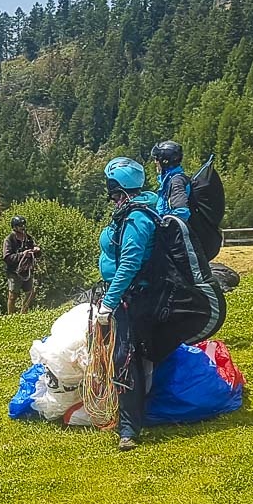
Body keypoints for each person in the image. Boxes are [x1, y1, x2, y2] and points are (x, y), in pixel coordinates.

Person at [96, 157, 161, 452]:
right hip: (125, 294)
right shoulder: (131, 211)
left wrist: (109, 303)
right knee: (124, 356)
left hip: (131, 299)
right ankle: (127, 418)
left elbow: (130, 264)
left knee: (124, 358)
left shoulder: (137, 219)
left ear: (117, 186)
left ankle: (128, 429)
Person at [3, 216, 40, 314]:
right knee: (12, 296)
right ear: (14, 227)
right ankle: (10, 316)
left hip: (27, 270)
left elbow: (35, 253)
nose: (23, 227)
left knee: (30, 292)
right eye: (20, 225)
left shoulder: (28, 238)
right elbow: (7, 257)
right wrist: (22, 255)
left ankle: (23, 313)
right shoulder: (9, 239)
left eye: (24, 225)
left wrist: (36, 250)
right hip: (14, 272)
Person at [150, 140, 190, 221]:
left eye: (157, 159)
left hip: (173, 228)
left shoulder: (176, 181)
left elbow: (182, 212)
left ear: (165, 161)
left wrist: (165, 224)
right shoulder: (169, 180)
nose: (155, 162)